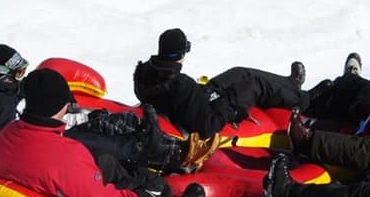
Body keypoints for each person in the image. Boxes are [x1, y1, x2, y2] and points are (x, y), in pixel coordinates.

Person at [0, 67, 207, 197]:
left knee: (104, 160)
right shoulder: (67, 155)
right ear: (59, 105)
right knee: (154, 184)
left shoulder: (8, 135)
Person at [132, 27, 309, 138]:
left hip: (198, 99)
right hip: (210, 108)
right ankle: (302, 100)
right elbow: (207, 127)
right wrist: (231, 109)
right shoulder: (181, 85)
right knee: (254, 84)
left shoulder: (144, 73)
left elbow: (178, 96)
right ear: (181, 54)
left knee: (239, 72)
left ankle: (290, 84)